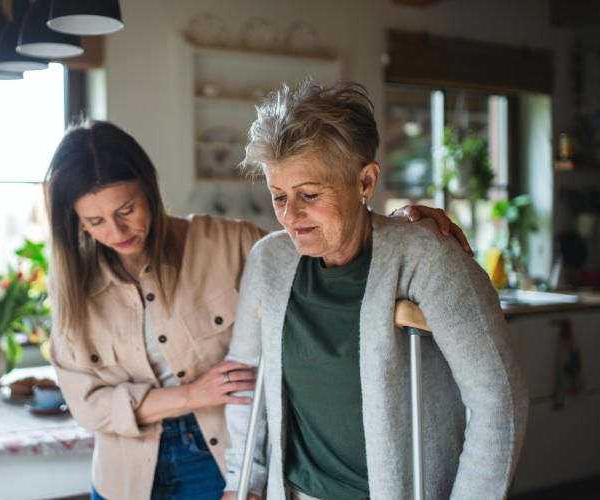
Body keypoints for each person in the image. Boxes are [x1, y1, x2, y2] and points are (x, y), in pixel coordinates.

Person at [44, 118, 471, 500]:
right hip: (124, 475)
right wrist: (192, 395)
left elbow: (319, 238)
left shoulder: (229, 245)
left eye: (126, 210)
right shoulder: (72, 292)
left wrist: (395, 225)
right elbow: (88, 406)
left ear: (149, 191)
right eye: (94, 222)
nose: (116, 231)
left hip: (220, 456)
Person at [222, 82, 529, 500]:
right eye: (279, 196)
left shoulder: (426, 257)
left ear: (365, 181)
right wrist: (245, 482)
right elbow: (245, 378)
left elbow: (499, 399)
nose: (291, 216)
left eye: (309, 195)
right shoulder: (269, 261)